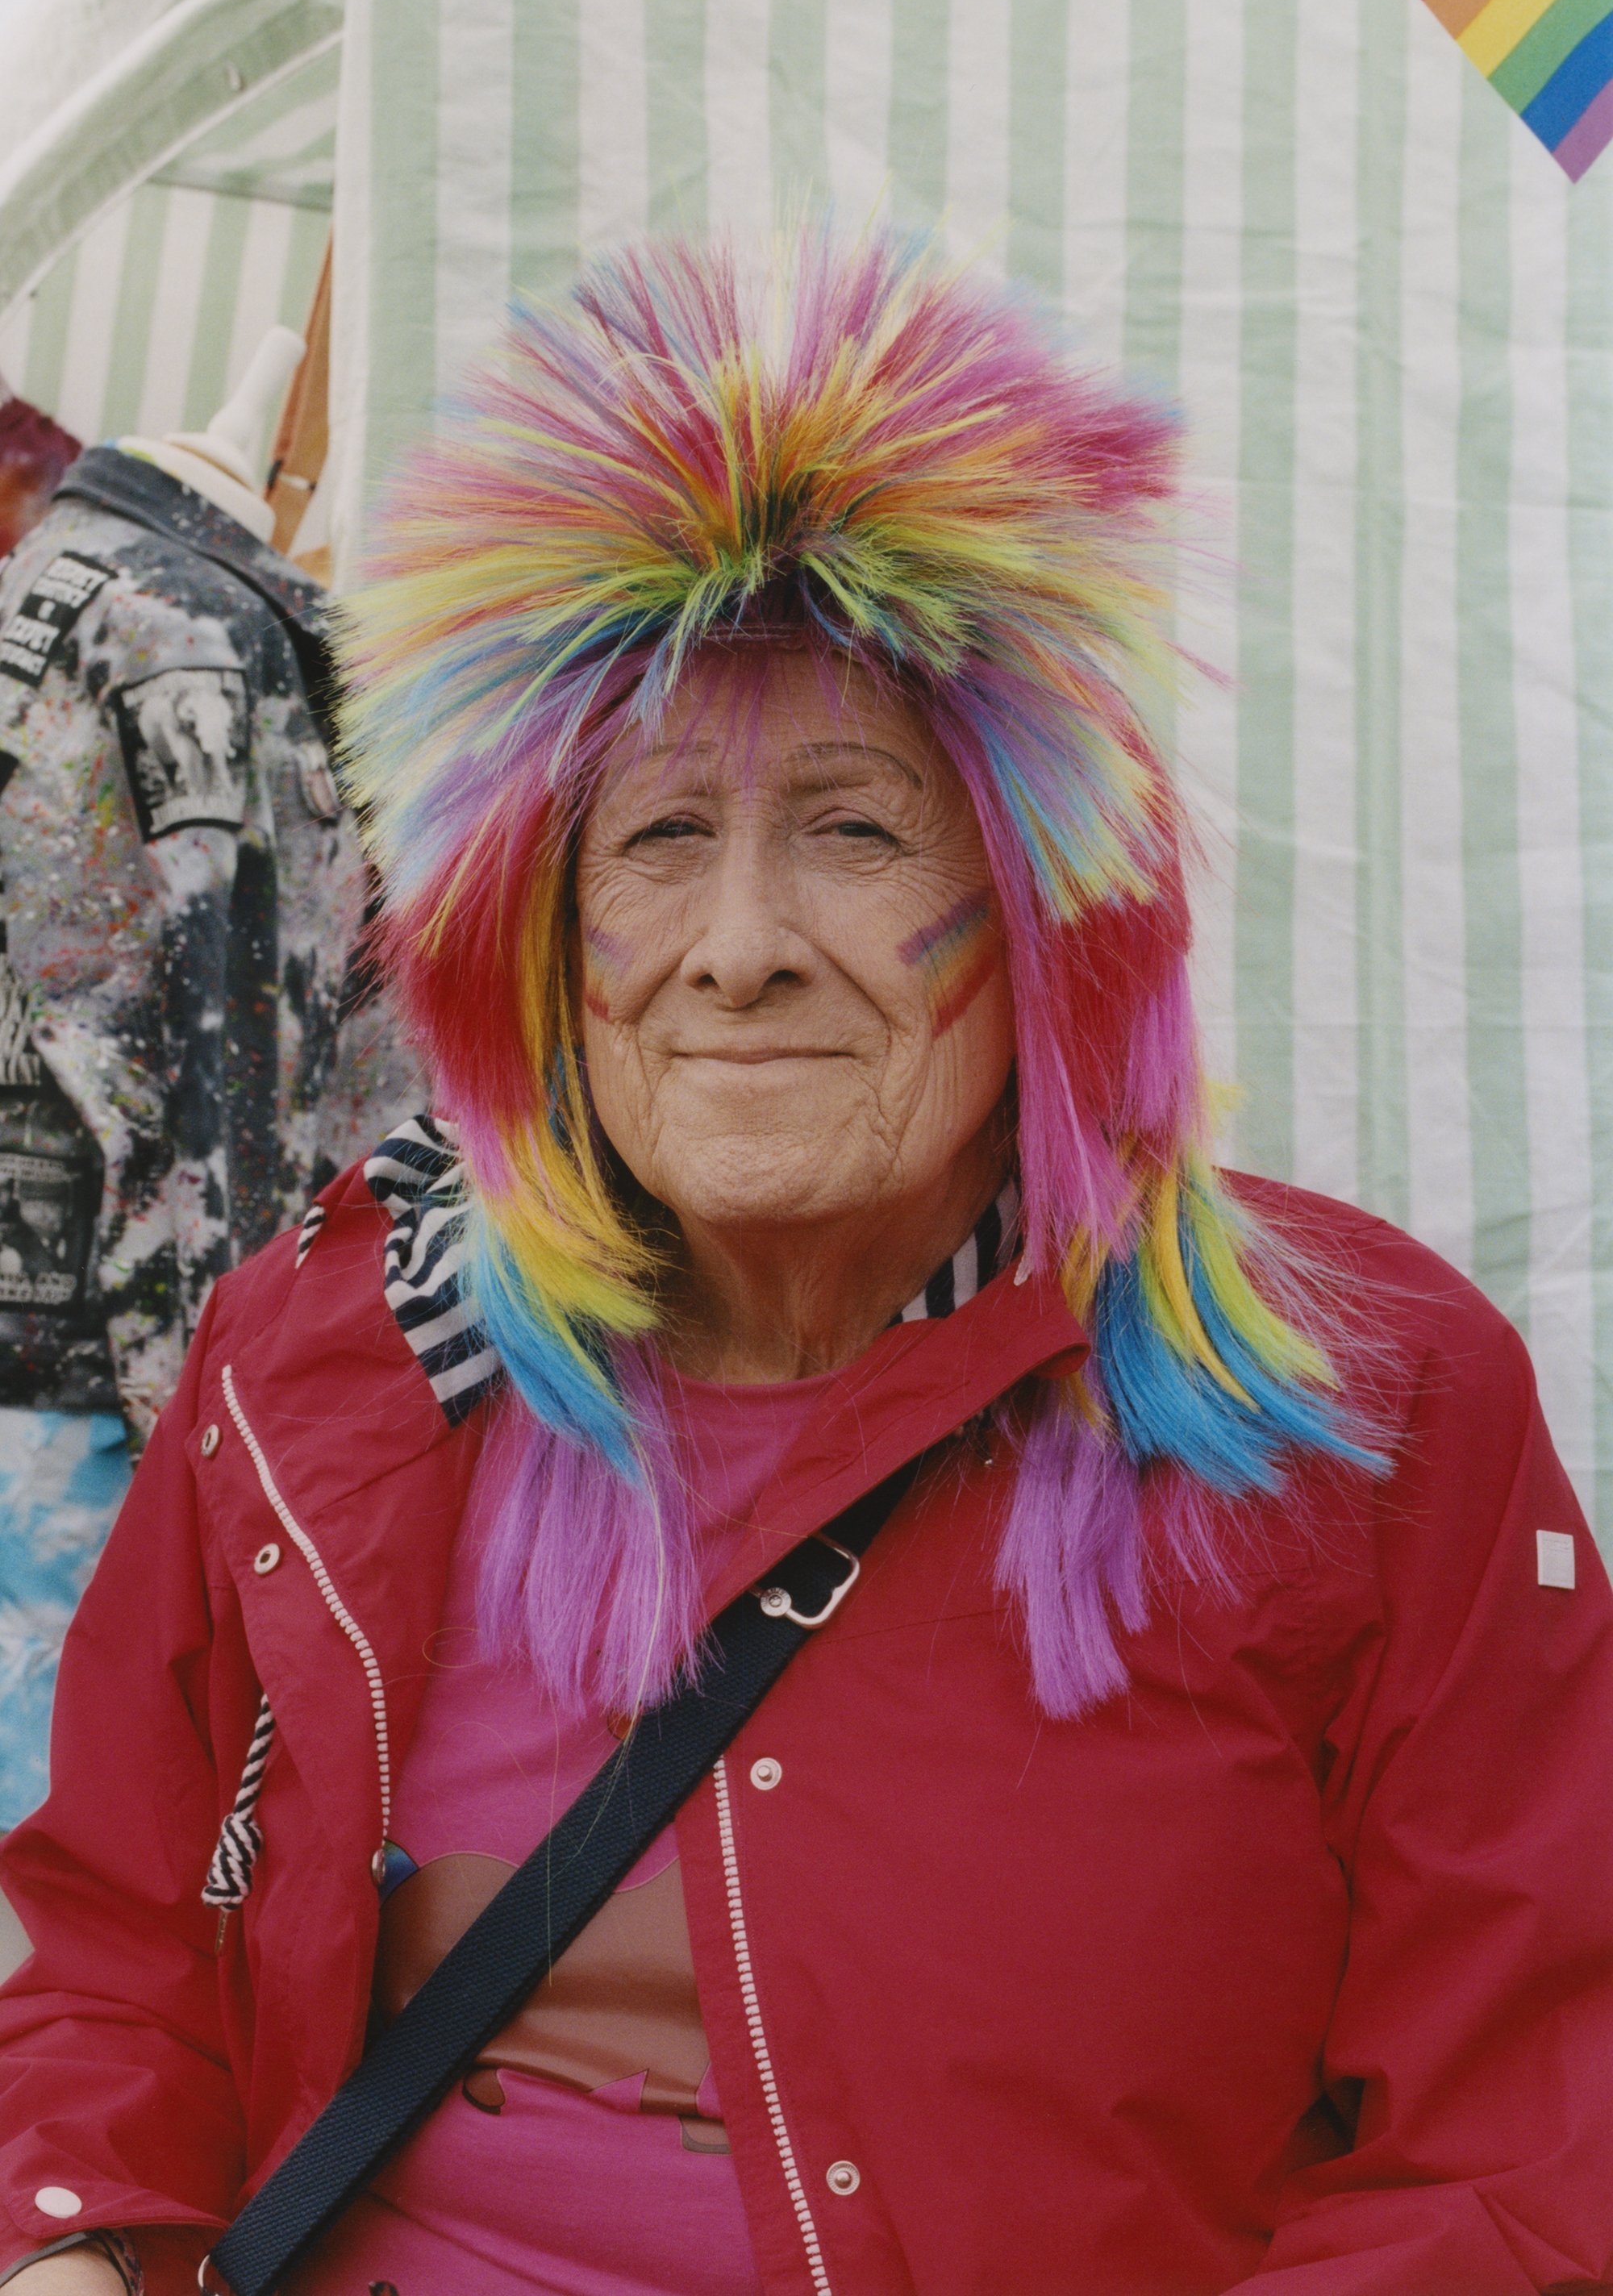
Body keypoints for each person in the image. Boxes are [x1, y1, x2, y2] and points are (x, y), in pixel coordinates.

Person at [0, 227, 1607, 2296]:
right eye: (657, 841)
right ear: (540, 942)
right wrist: (74, 2247)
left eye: (854, 831)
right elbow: (125, 1950)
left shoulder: (1365, 1405)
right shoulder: (325, 1357)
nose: (738, 946)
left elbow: (1522, 2156)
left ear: (1047, 915)